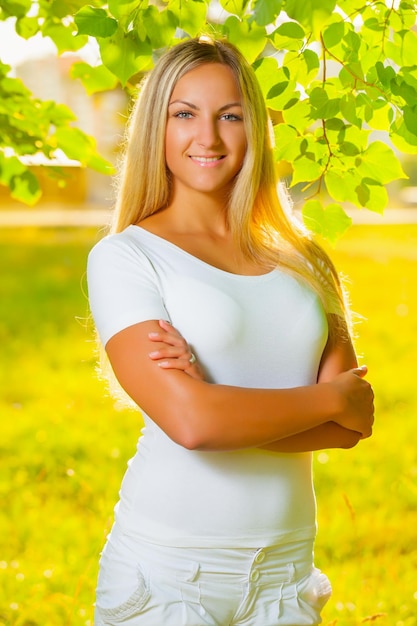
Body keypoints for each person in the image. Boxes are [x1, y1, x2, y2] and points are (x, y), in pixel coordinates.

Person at [87, 36, 374, 626]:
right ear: (156, 128)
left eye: (231, 116)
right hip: (167, 574)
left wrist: (217, 406)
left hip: (285, 574)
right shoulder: (126, 257)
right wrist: (320, 401)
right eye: (184, 114)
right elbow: (192, 426)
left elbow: (352, 425)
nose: (209, 138)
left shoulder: (306, 260)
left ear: (255, 127)